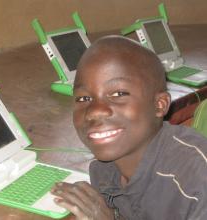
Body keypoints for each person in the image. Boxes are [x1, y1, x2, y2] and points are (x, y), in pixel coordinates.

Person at [51, 35, 207, 220]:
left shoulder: (196, 181)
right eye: (84, 98)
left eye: (118, 93)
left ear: (159, 105)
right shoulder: (104, 170)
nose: (94, 111)